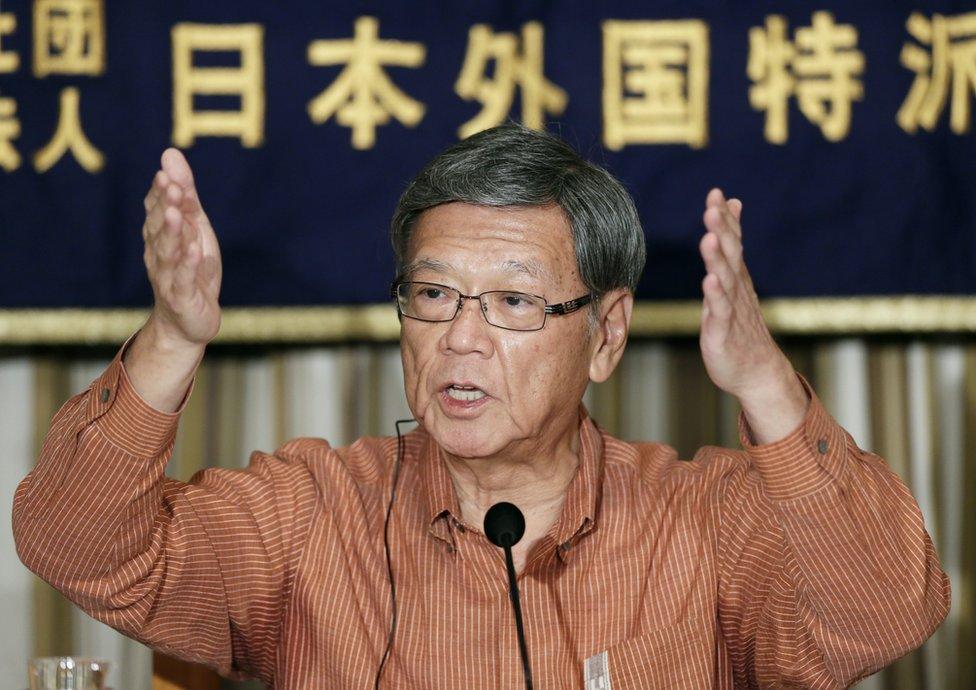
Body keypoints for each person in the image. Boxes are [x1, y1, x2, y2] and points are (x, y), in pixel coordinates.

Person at [14, 124, 948, 689]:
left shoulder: (702, 518)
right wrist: (174, 336)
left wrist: (764, 383)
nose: (461, 338)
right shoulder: (311, 514)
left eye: (512, 302)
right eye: (432, 296)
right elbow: (76, 542)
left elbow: (883, 616)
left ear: (606, 335)